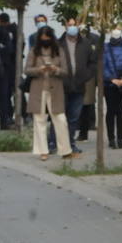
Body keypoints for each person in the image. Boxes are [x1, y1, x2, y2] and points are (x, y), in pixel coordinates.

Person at [25, 27, 74, 161]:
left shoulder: (59, 51)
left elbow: (65, 71)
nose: (45, 40)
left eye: (47, 37)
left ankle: (65, 150)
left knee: (61, 119)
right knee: (39, 120)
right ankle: (42, 151)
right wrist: (39, 69)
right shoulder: (33, 51)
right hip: (38, 89)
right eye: (43, 37)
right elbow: (27, 70)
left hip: (55, 89)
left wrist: (55, 69)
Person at [57, 18, 95, 155]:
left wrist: (86, 76)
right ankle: (54, 143)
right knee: (59, 116)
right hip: (62, 86)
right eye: (70, 24)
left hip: (79, 86)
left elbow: (92, 62)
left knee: (73, 117)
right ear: (65, 25)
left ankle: (70, 144)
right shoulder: (58, 43)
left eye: (74, 25)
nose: (72, 27)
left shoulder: (85, 43)